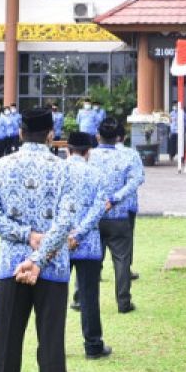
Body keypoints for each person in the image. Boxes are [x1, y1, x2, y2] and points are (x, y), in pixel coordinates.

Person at [0, 107, 78, 372]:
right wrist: (39, 256)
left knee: (5, 339)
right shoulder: (64, 169)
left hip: (11, 264)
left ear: (20, 132)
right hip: (52, 267)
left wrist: (24, 237)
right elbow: (65, 220)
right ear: (51, 135)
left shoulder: (0, 166)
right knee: (50, 340)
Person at [65, 131, 112, 359]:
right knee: (89, 296)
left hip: (59, 243)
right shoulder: (96, 174)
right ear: (88, 152)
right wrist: (80, 233)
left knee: (53, 298)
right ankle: (93, 345)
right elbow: (99, 208)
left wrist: (66, 235)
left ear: (67, 149)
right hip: (88, 244)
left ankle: (52, 347)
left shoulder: (57, 172)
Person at [92, 117, 143, 314]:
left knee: (90, 259)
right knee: (122, 260)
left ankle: (82, 298)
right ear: (118, 138)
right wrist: (116, 198)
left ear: (98, 136)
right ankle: (123, 302)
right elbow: (137, 179)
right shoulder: (128, 155)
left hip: (93, 216)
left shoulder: (90, 156)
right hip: (119, 214)